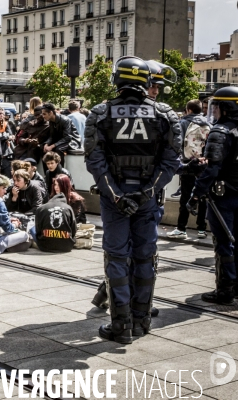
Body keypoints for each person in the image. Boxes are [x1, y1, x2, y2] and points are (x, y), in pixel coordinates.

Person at [84, 56, 181, 344]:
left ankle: (121, 325)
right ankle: (142, 320)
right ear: (146, 82)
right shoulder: (165, 114)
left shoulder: (100, 113)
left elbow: (94, 161)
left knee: (116, 258)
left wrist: (116, 194)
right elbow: (171, 162)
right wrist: (147, 192)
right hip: (148, 198)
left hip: (115, 197)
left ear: (117, 79)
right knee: (145, 257)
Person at [188, 87, 238, 305]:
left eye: (216, 106)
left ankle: (225, 289)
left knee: (224, 242)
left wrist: (195, 194)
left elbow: (211, 168)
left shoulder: (220, 132)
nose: (213, 110)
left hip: (223, 195)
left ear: (226, 108)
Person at [167, 99, 211, 240]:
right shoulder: (208, 124)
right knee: (202, 196)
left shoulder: (182, 123)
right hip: (203, 165)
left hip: (188, 165)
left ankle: (181, 228)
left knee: (185, 196)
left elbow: (176, 144)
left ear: (189, 110)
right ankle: (201, 229)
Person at [41, 103, 81, 167]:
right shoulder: (51, 121)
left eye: (44, 114)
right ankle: (48, 174)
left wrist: (52, 146)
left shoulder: (65, 120)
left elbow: (67, 137)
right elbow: (52, 136)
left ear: (51, 113)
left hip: (72, 141)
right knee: (43, 149)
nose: (43, 116)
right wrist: (46, 144)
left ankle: (60, 171)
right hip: (62, 140)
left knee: (59, 149)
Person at [0, 106, 15, 178]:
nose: (2, 115)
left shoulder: (5, 124)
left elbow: (11, 136)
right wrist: (5, 136)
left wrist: (4, 136)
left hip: (5, 154)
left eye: (3, 114)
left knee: (7, 176)